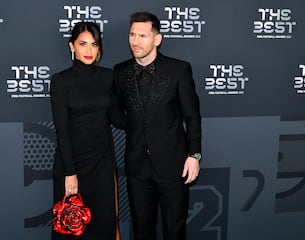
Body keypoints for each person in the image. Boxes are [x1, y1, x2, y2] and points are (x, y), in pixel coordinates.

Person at [109, 12, 202, 240]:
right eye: (132, 35)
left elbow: (192, 116)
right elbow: (114, 112)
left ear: (157, 39)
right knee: (141, 230)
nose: (135, 41)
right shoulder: (120, 72)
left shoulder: (179, 70)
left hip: (174, 166)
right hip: (137, 167)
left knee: (174, 230)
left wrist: (194, 155)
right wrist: (134, 127)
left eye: (142, 35)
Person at [50, 21, 119, 240]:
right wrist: (70, 173)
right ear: (72, 46)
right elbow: (61, 130)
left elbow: (117, 117)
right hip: (72, 164)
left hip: (102, 163)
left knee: (104, 223)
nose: (89, 50)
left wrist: (150, 121)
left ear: (99, 48)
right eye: (83, 44)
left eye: (94, 44)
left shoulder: (108, 77)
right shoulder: (61, 81)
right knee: (71, 228)